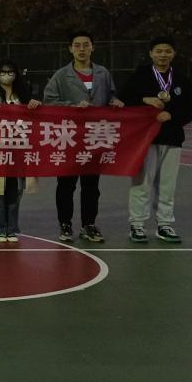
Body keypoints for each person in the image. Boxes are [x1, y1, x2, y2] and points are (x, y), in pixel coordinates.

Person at [43, 30, 124, 243]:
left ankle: (89, 225)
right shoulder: (61, 75)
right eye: (77, 45)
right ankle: (65, 223)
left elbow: (111, 96)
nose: (81, 49)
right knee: (66, 185)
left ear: (92, 47)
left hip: (94, 138)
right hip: (69, 138)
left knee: (91, 186)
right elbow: (49, 102)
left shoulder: (103, 73)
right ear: (70, 49)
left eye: (86, 45)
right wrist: (71, 106)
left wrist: (114, 102)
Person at [119, 37, 192, 244]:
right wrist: (144, 99)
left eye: (167, 51)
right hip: (145, 139)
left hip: (172, 138)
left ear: (174, 54)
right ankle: (137, 225)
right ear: (151, 53)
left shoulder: (181, 79)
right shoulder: (140, 76)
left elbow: (191, 110)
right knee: (141, 183)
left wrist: (171, 115)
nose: (163, 55)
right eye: (159, 51)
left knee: (167, 185)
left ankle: (165, 224)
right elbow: (123, 99)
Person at [0, 62, 41, 242]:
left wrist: (37, 105)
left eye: (10, 72)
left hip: (19, 149)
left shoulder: (24, 96)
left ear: (16, 74)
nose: (6, 75)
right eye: (3, 72)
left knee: (15, 190)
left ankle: (12, 228)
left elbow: (36, 118)